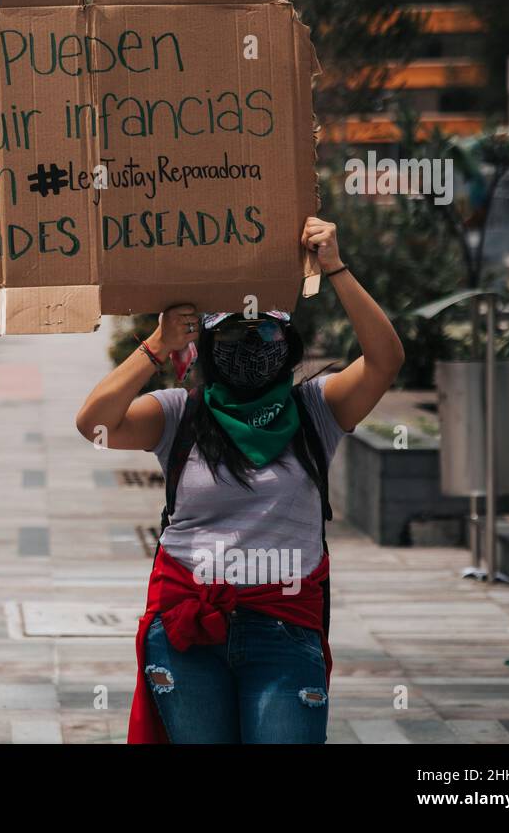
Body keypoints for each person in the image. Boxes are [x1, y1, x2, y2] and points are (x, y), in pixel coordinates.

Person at [75, 217, 403, 744]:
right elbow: (94, 423)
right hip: (188, 627)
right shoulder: (179, 413)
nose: (250, 346)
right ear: (208, 346)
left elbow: (386, 360)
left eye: (265, 331)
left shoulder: (318, 409)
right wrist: (157, 344)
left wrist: (335, 268)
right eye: (231, 334)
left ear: (287, 341)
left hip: (285, 624)